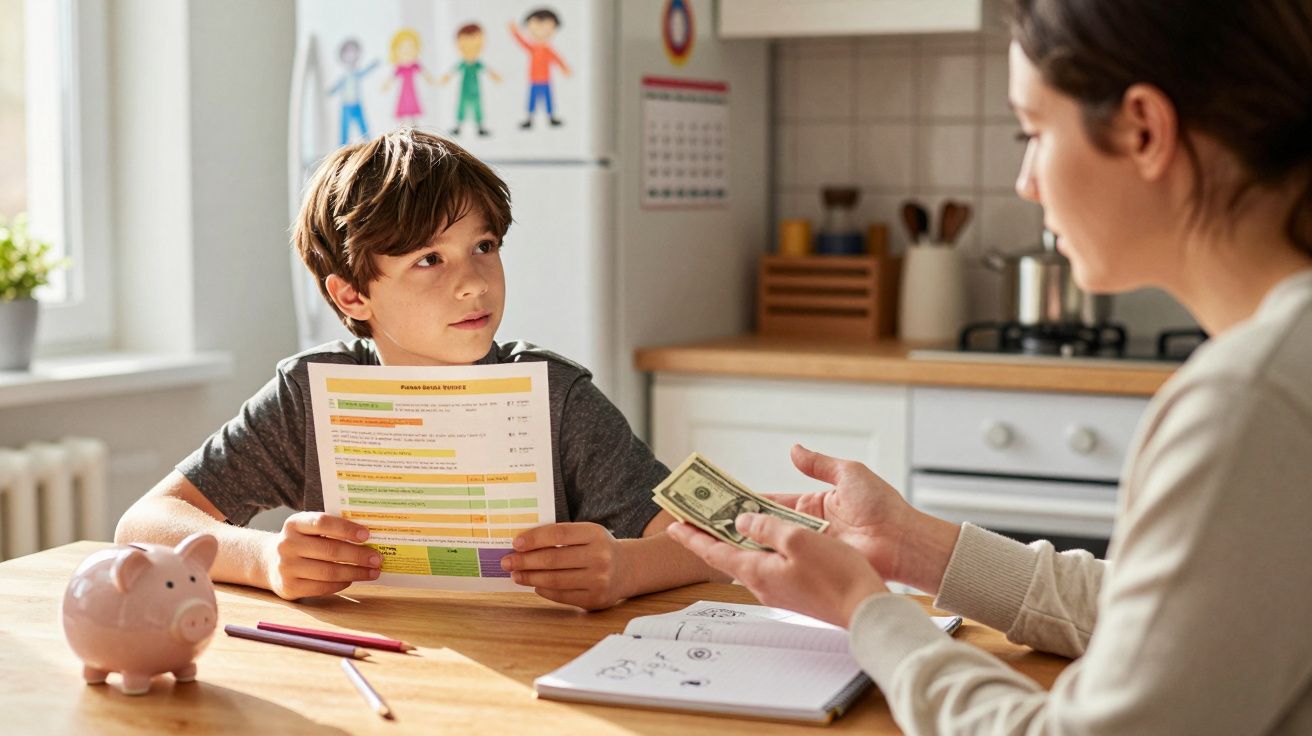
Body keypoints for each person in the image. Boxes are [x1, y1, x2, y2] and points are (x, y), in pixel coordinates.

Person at [671, 1, 1312, 732]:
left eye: (1033, 132)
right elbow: (1177, 619)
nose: (1025, 182)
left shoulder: (1252, 401)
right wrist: (913, 545)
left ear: (1143, 130)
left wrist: (864, 613)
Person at [116, 129, 721, 610]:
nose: (473, 283)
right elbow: (144, 523)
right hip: (365, 665)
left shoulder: (556, 397)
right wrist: (265, 558)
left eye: (483, 247)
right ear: (353, 295)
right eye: (430, 259)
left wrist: (627, 568)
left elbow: (712, 540)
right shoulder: (308, 398)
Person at [508, 8, 571, 128]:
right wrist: (514, 31)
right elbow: (522, 42)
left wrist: (564, 68)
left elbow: (557, 59)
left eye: (546, 28)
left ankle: (551, 118)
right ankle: (530, 119)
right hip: (534, 80)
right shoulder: (533, 48)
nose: (541, 32)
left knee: (548, 100)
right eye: (536, 27)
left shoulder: (548, 50)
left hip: (546, 80)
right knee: (532, 100)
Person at [440, 24, 501, 137]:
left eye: (476, 46)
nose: (470, 49)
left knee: (477, 108)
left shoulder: (477, 64)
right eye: (465, 46)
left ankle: (480, 128)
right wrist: (446, 78)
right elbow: (453, 71)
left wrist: (495, 76)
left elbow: (488, 70)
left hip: (475, 90)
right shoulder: (463, 64)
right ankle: (458, 127)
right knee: (461, 107)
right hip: (464, 90)